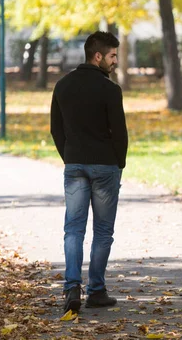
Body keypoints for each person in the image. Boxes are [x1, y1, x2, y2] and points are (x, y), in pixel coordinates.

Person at [50, 31, 128, 313]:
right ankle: (96, 290)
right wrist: (119, 162)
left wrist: (69, 156)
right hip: (105, 165)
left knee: (73, 228)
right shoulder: (110, 89)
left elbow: (55, 129)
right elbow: (119, 132)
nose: (115, 61)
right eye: (112, 56)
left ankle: (72, 287)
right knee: (103, 231)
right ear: (98, 56)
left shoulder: (63, 86)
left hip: (75, 164)